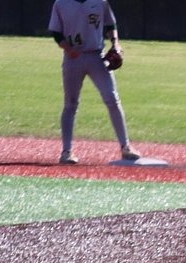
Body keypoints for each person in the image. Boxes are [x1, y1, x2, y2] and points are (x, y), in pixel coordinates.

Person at [48, 0, 142, 165]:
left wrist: (116, 44)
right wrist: (69, 49)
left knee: (112, 99)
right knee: (70, 103)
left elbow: (110, 25)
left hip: (97, 57)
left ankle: (126, 147)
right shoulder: (61, 3)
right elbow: (56, 33)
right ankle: (66, 152)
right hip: (72, 59)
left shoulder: (100, 2)